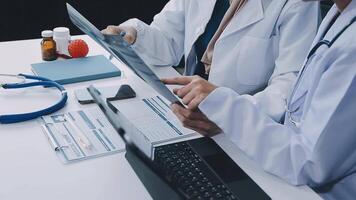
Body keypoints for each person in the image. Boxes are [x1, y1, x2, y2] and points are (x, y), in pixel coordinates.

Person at [163, 0, 356, 199]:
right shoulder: (340, 12)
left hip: (311, 188)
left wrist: (224, 110)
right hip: (275, 160)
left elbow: (310, 164)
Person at [102, 1, 319, 132]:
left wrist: (229, 113)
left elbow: (291, 88)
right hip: (183, 113)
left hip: (242, 133)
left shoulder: (298, 4)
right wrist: (133, 34)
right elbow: (168, 43)